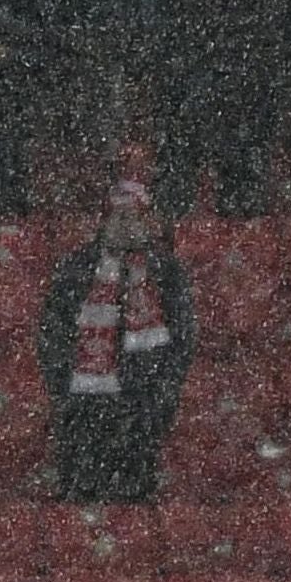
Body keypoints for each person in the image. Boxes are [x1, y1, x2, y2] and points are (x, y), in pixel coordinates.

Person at [46, 182, 198, 506]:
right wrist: (66, 389)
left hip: (143, 407)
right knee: (80, 501)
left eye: (134, 217)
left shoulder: (165, 272)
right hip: (84, 406)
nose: (125, 224)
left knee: (135, 503)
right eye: (119, 217)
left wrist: (160, 393)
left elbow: (182, 338)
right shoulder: (77, 269)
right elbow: (53, 333)